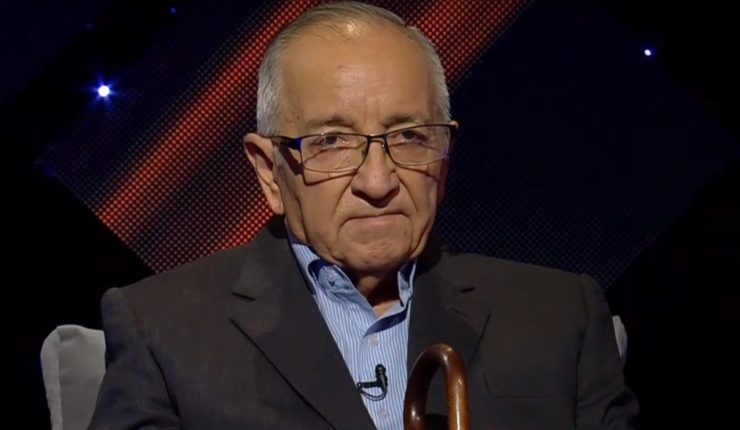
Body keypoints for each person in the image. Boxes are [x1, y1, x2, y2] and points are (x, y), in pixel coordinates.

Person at [88, 2, 638, 429]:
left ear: (445, 155)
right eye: (331, 141)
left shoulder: (561, 317)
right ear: (269, 171)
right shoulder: (163, 331)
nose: (378, 182)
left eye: (410, 136)